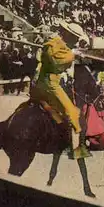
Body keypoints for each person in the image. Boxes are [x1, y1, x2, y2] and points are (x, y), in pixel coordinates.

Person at [30, 20, 91, 160]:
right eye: (74, 37)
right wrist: (73, 55)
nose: (76, 41)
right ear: (67, 34)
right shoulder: (54, 42)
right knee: (72, 113)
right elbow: (55, 61)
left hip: (54, 82)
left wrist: (74, 54)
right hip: (49, 84)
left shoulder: (63, 45)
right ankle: (68, 147)